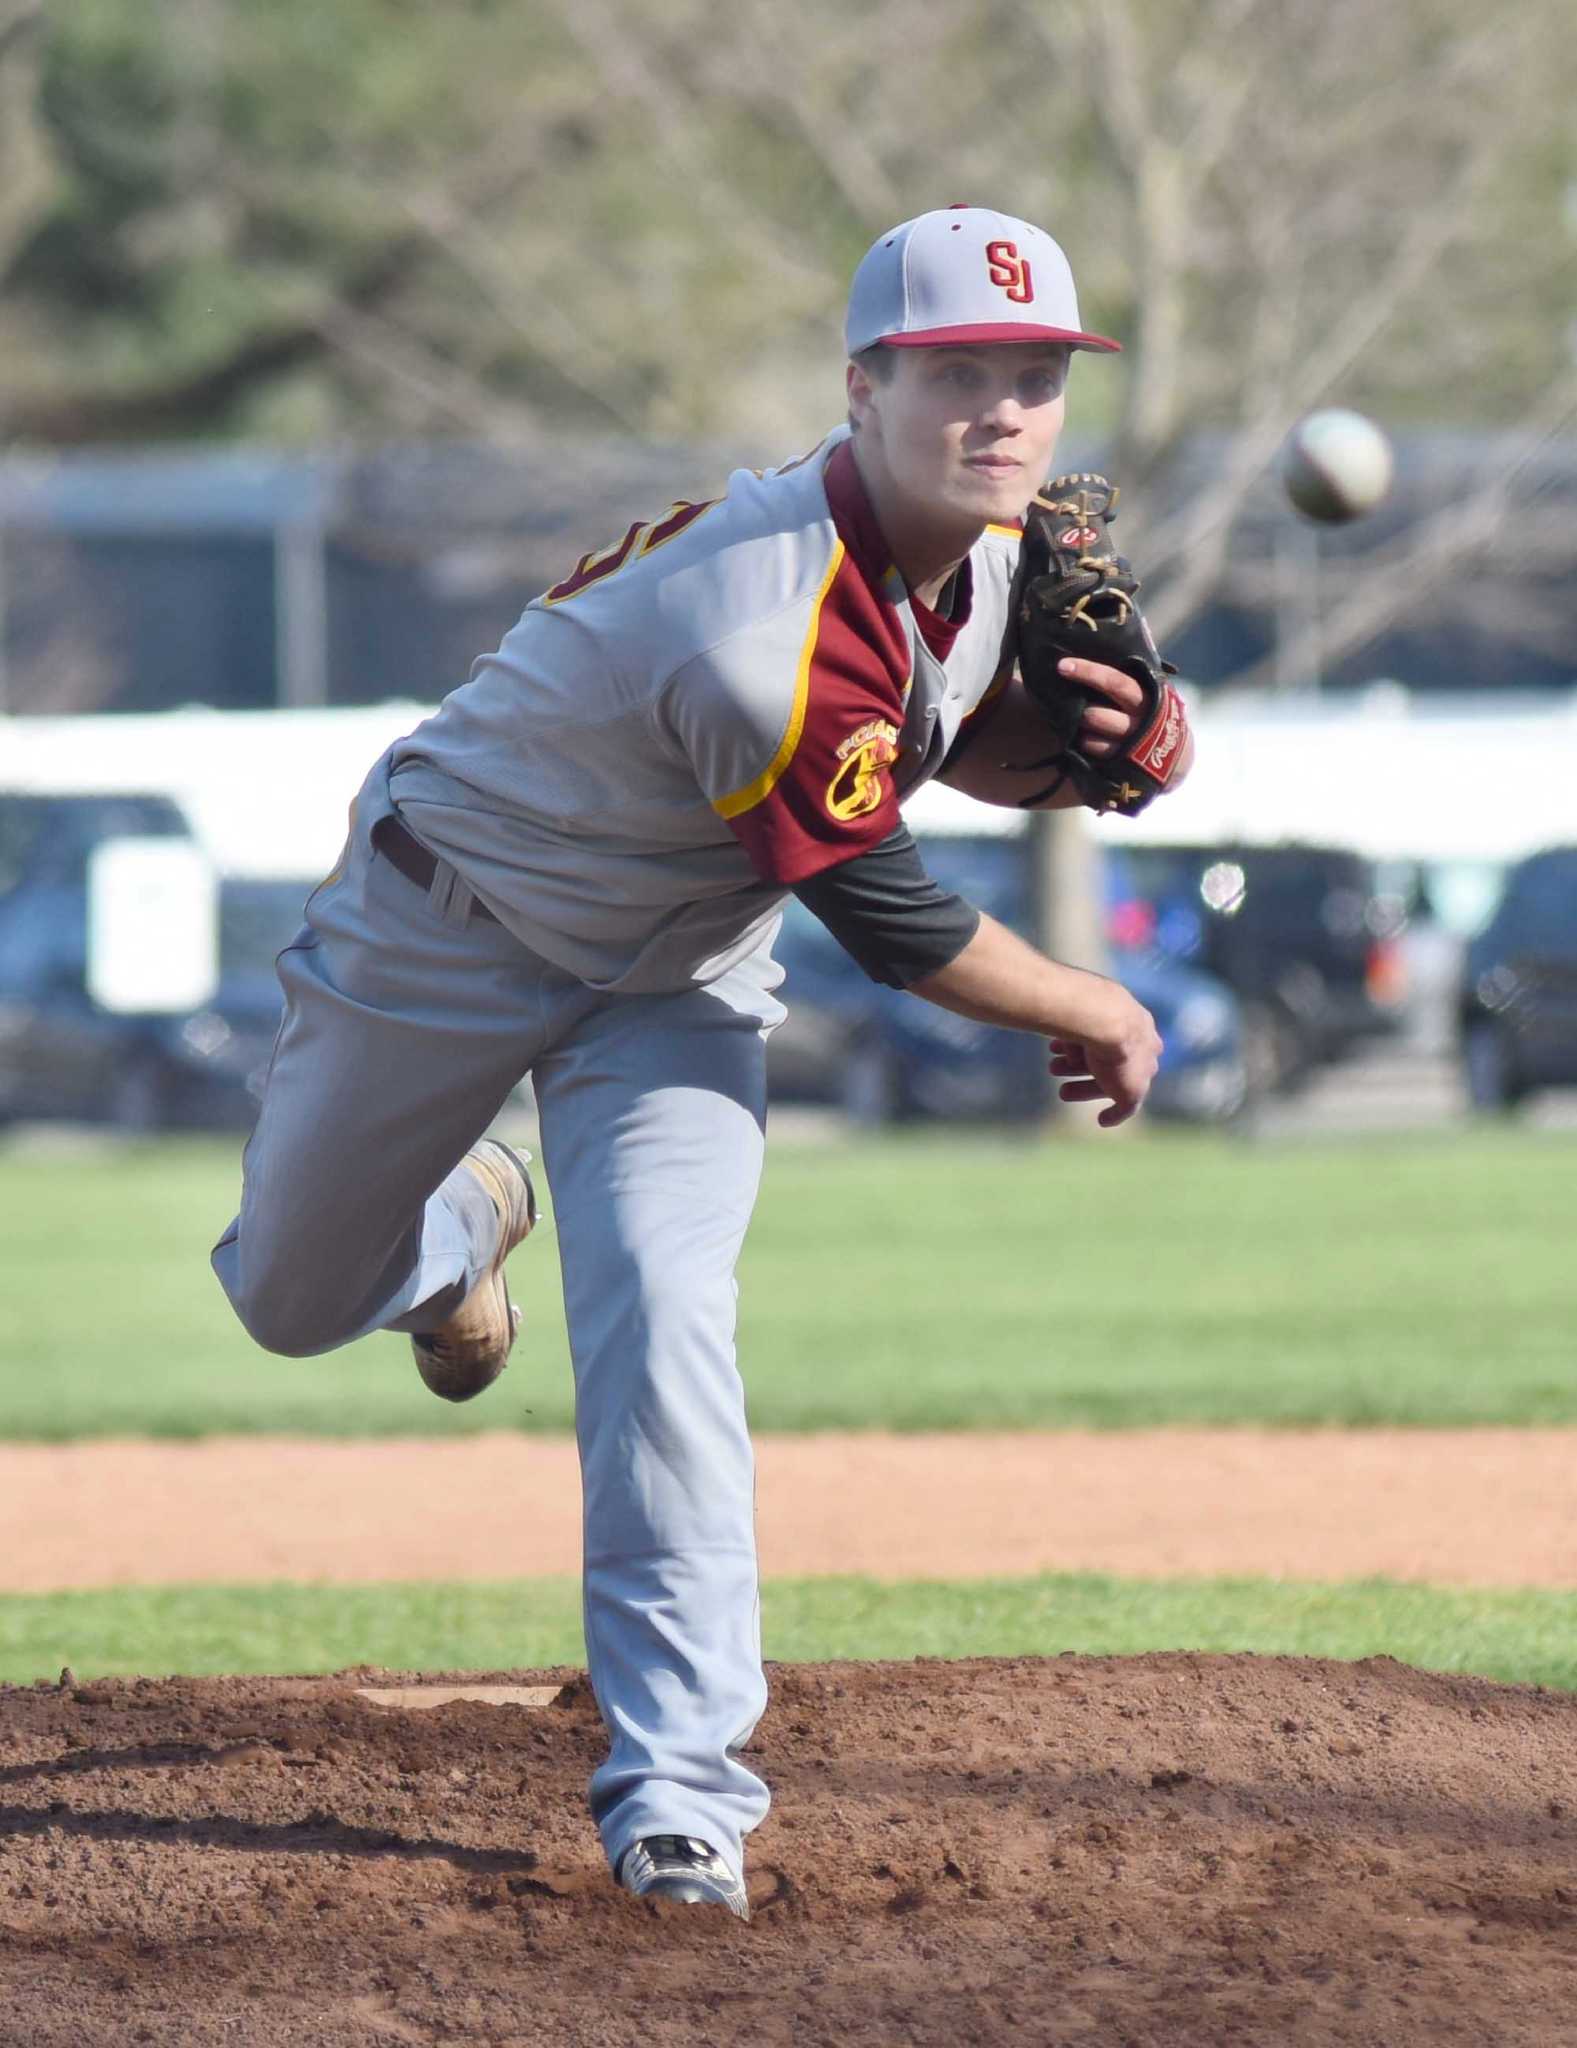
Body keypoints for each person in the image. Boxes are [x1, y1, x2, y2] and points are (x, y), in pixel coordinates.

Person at [212, 204, 1186, 1920]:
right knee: (289, 1297)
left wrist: (1099, 749)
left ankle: (679, 1801)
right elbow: (891, 917)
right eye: (958, 371)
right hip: (447, 924)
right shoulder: (758, 617)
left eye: (1035, 373)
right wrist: (1092, 1001)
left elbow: (934, 745)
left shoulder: (990, 551)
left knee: (664, 1320)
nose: (1006, 411)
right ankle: (459, 1235)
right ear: (863, 385)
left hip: (673, 975)